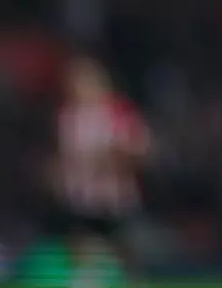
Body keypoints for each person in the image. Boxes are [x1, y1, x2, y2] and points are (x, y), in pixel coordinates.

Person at [52, 56, 150, 287]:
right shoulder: (68, 117)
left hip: (114, 194)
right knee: (80, 240)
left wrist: (114, 156)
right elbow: (65, 155)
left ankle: (134, 280)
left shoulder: (117, 112)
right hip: (82, 194)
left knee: (122, 246)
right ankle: (85, 280)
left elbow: (139, 148)